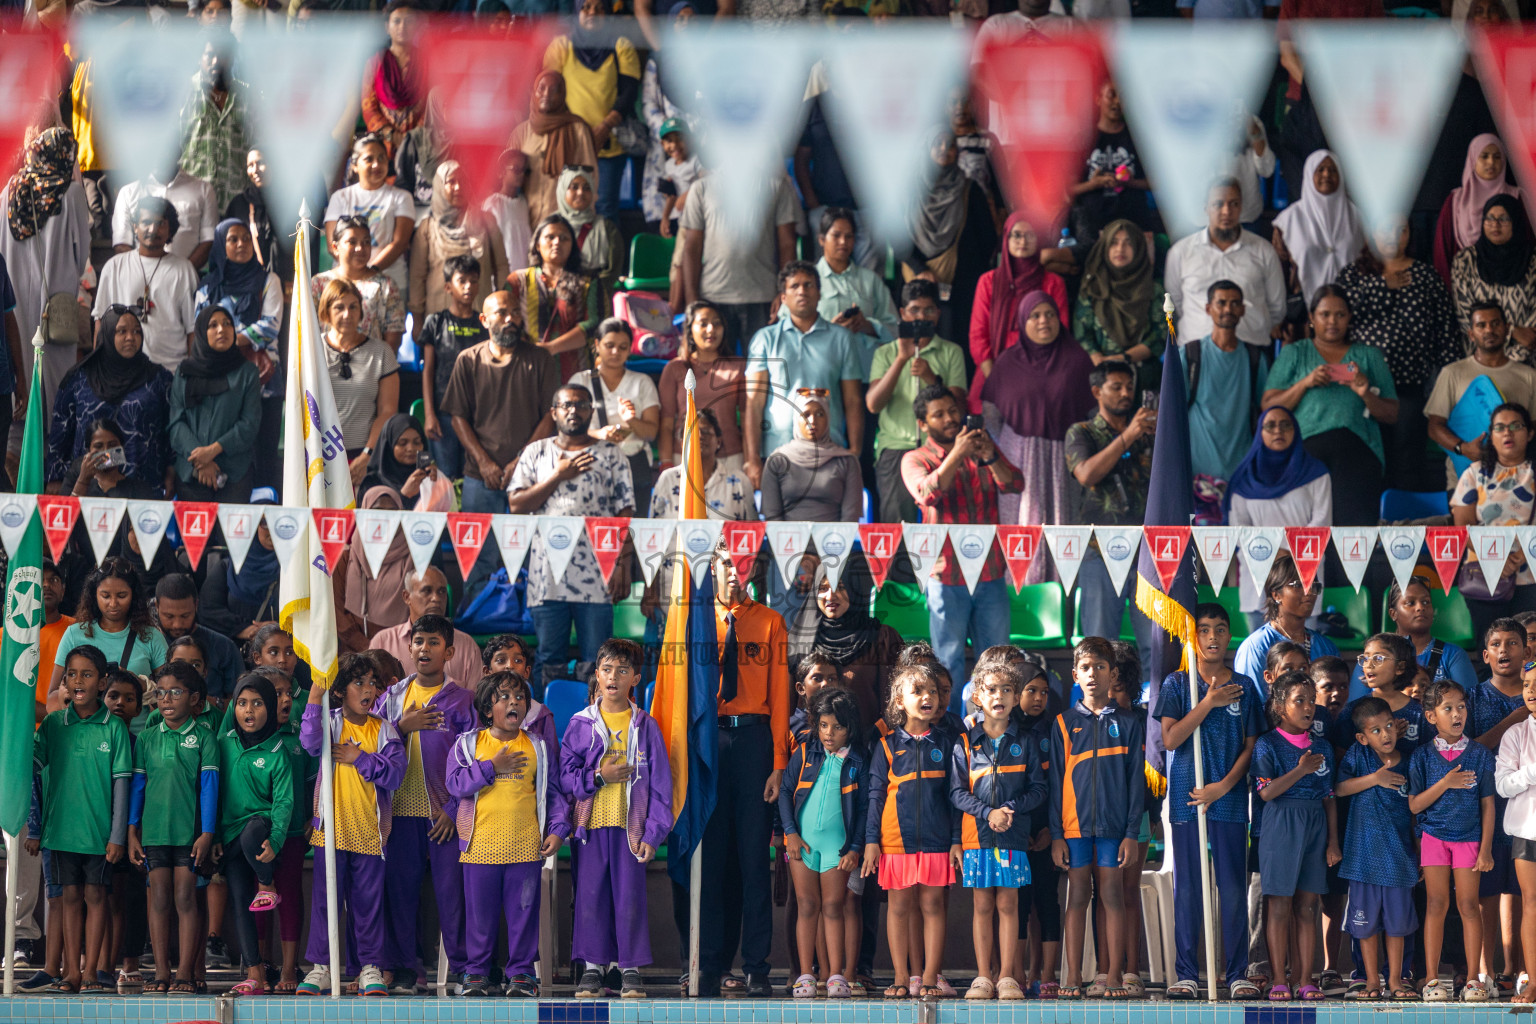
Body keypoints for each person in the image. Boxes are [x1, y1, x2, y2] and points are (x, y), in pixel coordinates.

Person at [1154, 603, 1265, 1000]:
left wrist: (1225, 785)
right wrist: (1207, 703)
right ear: (1193, 637)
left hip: (1231, 800)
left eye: (1220, 628)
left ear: (1230, 634)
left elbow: (1253, 745)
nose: (1213, 637)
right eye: (1203, 630)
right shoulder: (1177, 684)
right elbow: (1170, 739)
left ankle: (1237, 973)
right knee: (1188, 889)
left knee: (1233, 888)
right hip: (1187, 799)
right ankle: (1186, 973)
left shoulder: (1246, 687)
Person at [693, 552, 791, 998]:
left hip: (753, 743)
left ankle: (756, 966)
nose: (735, 572)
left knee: (754, 861)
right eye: (726, 564)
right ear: (711, 569)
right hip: (710, 743)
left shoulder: (770, 621)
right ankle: (708, 963)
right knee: (711, 861)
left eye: (742, 564)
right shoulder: (694, 622)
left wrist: (778, 764)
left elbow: (780, 696)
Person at [374, 614, 480, 995]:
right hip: (399, 813)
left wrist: (454, 810)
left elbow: (475, 760)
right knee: (400, 893)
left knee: (453, 896)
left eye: (434, 642)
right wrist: (402, 726)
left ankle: (467, 968)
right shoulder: (392, 699)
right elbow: (374, 749)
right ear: (408, 647)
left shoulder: (464, 701)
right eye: (418, 641)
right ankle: (404, 967)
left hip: (446, 816)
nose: (424, 648)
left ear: (449, 652)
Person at [562, 639, 673, 998]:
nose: (614, 676)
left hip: (632, 828)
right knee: (591, 897)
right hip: (590, 829)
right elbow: (565, 776)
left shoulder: (646, 726)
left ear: (635, 679)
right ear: (596, 675)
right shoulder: (580, 724)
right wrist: (597, 777)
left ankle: (629, 969)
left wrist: (653, 834)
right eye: (607, 669)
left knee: (629, 899)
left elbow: (660, 787)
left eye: (623, 670)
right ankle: (593, 968)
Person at [507, 385, 635, 694]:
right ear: (554, 412)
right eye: (566, 405)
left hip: (598, 573)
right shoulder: (536, 452)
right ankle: (546, 727)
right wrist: (557, 476)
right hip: (546, 574)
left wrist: (623, 564)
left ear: (591, 411)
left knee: (599, 661)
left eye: (580, 405)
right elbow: (516, 503)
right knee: (548, 658)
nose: (573, 410)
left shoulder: (611, 454)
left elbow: (626, 513)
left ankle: (594, 729)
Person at [448, 671, 569, 998]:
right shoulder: (469, 744)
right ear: (488, 709)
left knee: (523, 915)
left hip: (525, 848)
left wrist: (557, 830)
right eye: (504, 697)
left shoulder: (538, 746)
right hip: (479, 848)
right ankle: (477, 973)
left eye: (518, 698)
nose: (513, 702)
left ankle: (521, 974)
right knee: (480, 916)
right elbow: (455, 784)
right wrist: (492, 767)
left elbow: (554, 793)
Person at [296, 654, 406, 998]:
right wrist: (315, 695)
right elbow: (309, 743)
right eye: (359, 682)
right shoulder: (329, 723)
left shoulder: (384, 729)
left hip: (371, 834)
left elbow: (395, 774)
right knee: (325, 901)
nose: (369, 690)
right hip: (331, 831)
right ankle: (322, 968)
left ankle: (369, 966)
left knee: (368, 902)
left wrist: (360, 758)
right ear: (340, 690)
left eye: (373, 683)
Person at [902, 385, 1020, 698]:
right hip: (946, 575)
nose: (950, 418)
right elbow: (928, 493)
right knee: (947, 661)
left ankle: (992, 731)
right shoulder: (915, 458)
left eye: (953, 411)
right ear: (923, 424)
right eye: (938, 415)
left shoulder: (983, 447)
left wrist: (990, 456)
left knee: (997, 661)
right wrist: (958, 453)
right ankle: (949, 731)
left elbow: (1014, 484)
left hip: (991, 572)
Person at [30, 644, 131, 995]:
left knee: (96, 898)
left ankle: (91, 972)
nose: (76, 681)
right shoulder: (54, 724)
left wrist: (117, 835)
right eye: (71, 674)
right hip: (60, 832)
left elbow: (122, 788)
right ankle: (71, 972)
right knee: (69, 899)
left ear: (102, 682)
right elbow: (31, 768)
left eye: (86, 674)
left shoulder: (114, 727)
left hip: (99, 835)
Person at [1049, 638, 1144, 1000]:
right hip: (1074, 829)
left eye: (1100, 667)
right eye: (1086, 668)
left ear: (1113, 673)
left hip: (1114, 830)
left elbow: (1137, 782)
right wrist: (1057, 834)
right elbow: (1056, 782)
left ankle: (1114, 976)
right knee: (1077, 898)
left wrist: (1131, 832)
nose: (1093, 674)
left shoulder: (1129, 723)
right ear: (1075, 674)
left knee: (1112, 898)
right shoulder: (1063, 723)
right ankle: (1072, 976)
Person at [861, 662, 959, 1000]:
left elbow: (956, 797)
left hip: (936, 841)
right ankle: (902, 976)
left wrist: (956, 841)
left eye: (932, 691)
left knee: (933, 906)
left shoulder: (948, 744)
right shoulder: (886, 745)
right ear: (899, 701)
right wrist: (871, 840)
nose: (928, 697)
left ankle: (930, 976)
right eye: (918, 691)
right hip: (894, 842)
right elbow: (875, 796)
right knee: (898, 908)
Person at [1261, 285, 1398, 526]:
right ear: (1312, 318)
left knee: (1352, 540)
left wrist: (1366, 394)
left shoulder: (1368, 356)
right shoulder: (1295, 352)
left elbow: (1392, 414)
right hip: (1305, 455)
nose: (1332, 321)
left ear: (1350, 318)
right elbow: (1269, 406)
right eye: (1325, 314)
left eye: (1340, 314)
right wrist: (1305, 383)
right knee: (1304, 533)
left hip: (1358, 455)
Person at [951, 660, 1046, 1001]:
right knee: (982, 907)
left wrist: (1010, 809)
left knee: (1008, 905)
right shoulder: (965, 743)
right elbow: (957, 792)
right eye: (992, 689)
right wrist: (988, 812)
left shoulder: (1026, 742)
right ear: (978, 696)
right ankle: (982, 976)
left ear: (1016, 696)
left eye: (1007, 690)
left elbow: (1038, 789)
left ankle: (1007, 975)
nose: (1000, 696)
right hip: (977, 839)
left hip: (1013, 837)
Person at [126, 661, 216, 996]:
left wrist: (207, 833)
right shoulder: (147, 738)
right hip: (154, 834)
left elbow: (209, 787)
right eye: (161, 693)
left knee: (185, 897)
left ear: (194, 698)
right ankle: (161, 973)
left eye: (175, 692)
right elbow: (138, 787)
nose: (166, 699)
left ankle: (185, 975)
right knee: (159, 898)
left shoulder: (205, 738)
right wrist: (132, 831)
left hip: (189, 834)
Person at [1252, 670, 1339, 1002]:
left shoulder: (1323, 748)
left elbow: (1329, 796)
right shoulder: (1267, 743)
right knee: (1278, 905)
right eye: (1298, 701)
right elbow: (1266, 793)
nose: (1307, 709)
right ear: (1279, 705)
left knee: (1307, 906)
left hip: (1315, 822)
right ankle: (1278, 978)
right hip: (1281, 822)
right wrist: (1301, 770)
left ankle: (1305, 979)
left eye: (1311, 702)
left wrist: (1332, 841)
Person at [1409, 678, 1498, 1002]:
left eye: (1461, 706)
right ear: (1431, 716)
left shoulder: (1479, 755)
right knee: (1435, 904)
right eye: (1448, 708)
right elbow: (1415, 805)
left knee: (1468, 906)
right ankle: (1432, 980)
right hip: (1433, 839)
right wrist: (1446, 782)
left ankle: (1473, 979)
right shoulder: (1421, 756)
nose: (1457, 713)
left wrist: (1485, 848)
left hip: (1470, 840)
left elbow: (1488, 804)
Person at [1066, 361, 1156, 670]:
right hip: (1100, 552)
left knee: (1153, 642)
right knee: (1099, 645)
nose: (1125, 393)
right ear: (1096, 391)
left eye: (1129, 387)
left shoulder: (1147, 431)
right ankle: (1097, 713)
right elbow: (1087, 473)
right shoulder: (1082, 432)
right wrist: (1129, 435)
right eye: (1116, 387)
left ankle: (1152, 710)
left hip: (1147, 552)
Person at [744, 261, 867, 489]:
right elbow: (754, 403)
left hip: (829, 453)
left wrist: (854, 452)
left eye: (809, 285)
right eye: (795, 286)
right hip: (777, 452)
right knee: (778, 523)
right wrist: (752, 459)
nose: (802, 291)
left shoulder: (842, 339)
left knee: (827, 522)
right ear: (783, 297)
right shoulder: (765, 339)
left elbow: (853, 400)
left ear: (819, 293)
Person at [780, 687, 867, 999]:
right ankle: (806, 974)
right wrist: (790, 833)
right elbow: (785, 794)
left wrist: (855, 848)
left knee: (833, 907)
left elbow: (865, 810)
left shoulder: (858, 760)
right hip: (803, 846)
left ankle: (836, 975)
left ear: (850, 728)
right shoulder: (805, 753)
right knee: (807, 906)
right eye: (824, 725)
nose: (830, 734)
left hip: (838, 848)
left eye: (838, 727)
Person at [980, 292, 1094, 528]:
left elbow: (1094, 412)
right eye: (1035, 315)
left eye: (1050, 314)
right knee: (1020, 526)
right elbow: (991, 413)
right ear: (1023, 321)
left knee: (1065, 525)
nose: (1044, 321)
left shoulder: (1078, 360)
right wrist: (1007, 448)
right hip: (1017, 457)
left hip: (1065, 456)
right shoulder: (1007, 363)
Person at [0, 126, 91, 425]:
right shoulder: (72, 193)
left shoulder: (8, 191)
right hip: (56, 300)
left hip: (11, 298)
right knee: (54, 371)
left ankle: (19, 430)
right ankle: (52, 435)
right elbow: (82, 255)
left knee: (19, 359)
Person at [443, 290, 558, 520]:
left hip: (531, 473)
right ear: (484, 320)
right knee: (480, 553)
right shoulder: (468, 359)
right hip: (480, 474)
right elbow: (458, 417)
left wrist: (521, 462)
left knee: (528, 552)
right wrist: (484, 463)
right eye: (502, 313)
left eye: (515, 312)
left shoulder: (541, 359)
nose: (510, 319)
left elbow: (550, 415)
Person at [1333, 695, 1420, 1000]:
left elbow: (1415, 814)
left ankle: (1395, 980)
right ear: (1362, 737)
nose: (1385, 735)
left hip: (1398, 860)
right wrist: (1376, 779)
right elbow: (1340, 788)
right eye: (1376, 731)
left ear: (1397, 726)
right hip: (1362, 860)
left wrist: (1419, 854)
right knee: (1366, 926)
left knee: (1397, 927)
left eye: (1389, 727)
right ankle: (1371, 981)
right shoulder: (1359, 756)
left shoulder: (1410, 761)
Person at [216, 673, 294, 997]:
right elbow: (214, 793)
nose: (249, 711)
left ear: (271, 707)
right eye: (242, 703)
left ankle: (267, 883)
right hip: (229, 837)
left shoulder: (277, 751)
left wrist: (275, 842)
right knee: (238, 902)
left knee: (253, 831)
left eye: (258, 703)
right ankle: (255, 974)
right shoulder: (223, 744)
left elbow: (283, 802)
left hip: (259, 832)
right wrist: (214, 836)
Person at [868, 280, 967, 525]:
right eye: (914, 310)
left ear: (938, 314)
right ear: (902, 314)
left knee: (943, 523)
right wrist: (902, 358)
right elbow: (873, 404)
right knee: (897, 526)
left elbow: (959, 407)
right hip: (895, 448)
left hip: (941, 450)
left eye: (928, 310)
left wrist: (931, 378)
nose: (921, 316)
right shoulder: (885, 353)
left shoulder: (951, 352)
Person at [47, 306, 173, 494]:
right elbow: (61, 430)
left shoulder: (159, 378)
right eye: (122, 331)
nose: (130, 337)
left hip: (143, 486)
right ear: (106, 334)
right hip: (87, 486)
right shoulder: (80, 378)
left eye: (136, 331)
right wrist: (55, 477)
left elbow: (170, 430)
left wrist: (171, 473)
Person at [1224, 408, 1332, 619]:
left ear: (1295, 430)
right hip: (1258, 570)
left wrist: (1289, 555)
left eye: (1285, 425)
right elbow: (1239, 527)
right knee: (1260, 647)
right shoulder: (1244, 478)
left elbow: (1321, 521)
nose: (1278, 431)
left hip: (1303, 567)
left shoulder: (1316, 473)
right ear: (1260, 432)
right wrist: (1273, 554)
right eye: (1270, 425)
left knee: (1304, 647)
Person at [681, 172, 801, 347]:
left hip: (763, 298)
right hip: (713, 297)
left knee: (762, 369)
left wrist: (783, 291)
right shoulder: (701, 188)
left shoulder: (777, 186)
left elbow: (787, 244)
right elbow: (691, 248)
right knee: (715, 371)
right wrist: (692, 300)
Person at [544, 0, 640, 219]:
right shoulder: (561, 45)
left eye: (599, 8)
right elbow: (550, 92)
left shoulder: (621, 45)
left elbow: (629, 93)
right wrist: (579, 131)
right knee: (569, 210)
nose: (592, 13)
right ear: (577, 11)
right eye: (586, 7)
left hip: (610, 146)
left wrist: (604, 127)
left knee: (606, 208)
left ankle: (606, 254)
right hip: (571, 144)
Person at [1165, 178, 1287, 349]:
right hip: (1195, 351)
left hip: (1251, 349)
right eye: (1218, 204)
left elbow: (1277, 307)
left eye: (1234, 203)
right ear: (1205, 208)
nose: (1226, 211)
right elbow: (1176, 302)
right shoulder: (1181, 252)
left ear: (1241, 207)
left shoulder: (1264, 251)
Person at [1428, 302, 1536, 486]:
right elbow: (1434, 427)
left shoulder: (1528, 375)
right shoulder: (1452, 373)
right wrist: (1462, 448)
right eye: (1481, 325)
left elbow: (1532, 427)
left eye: (1495, 323)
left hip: (1516, 482)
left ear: (1507, 329)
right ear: (1471, 334)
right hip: (1464, 480)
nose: (1489, 330)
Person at [787, 560, 902, 730]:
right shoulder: (798, 638)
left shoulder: (882, 638)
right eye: (823, 588)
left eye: (840, 587)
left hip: (867, 748)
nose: (830, 596)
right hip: (811, 749)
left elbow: (895, 703)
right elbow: (786, 705)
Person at [1453, 403, 1536, 637]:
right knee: (1489, 651)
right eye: (1500, 427)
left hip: (1531, 575)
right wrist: (1496, 559)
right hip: (1484, 572)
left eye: (1515, 426)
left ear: (1529, 433)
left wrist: (1518, 558)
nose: (1507, 432)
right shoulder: (1474, 473)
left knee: (1529, 651)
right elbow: (1463, 527)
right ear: (1492, 436)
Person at [905, 133, 1000, 339]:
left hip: (963, 288)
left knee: (960, 343)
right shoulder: (910, 193)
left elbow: (987, 237)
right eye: (937, 143)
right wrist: (919, 268)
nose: (943, 149)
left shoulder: (969, 189)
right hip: (917, 282)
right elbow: (897, 237)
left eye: (949, 145)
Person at [968, 213, 1067, 403]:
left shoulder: (1052, 283)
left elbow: (1059, 334)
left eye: (1030, 235)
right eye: (1017, 235)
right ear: (1006, 238)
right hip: (993, 374)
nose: (1023, 241)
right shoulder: (989, 282)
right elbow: (978, 336)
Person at [94, 198, 199, 372]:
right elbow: (100, 323)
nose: (153, 229)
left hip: (171, 371)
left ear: (170, 229)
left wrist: (192, 375)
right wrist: (98, 369)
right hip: (122, 372)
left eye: (161, 223)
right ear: (135, 227)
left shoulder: (184, 270)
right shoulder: (114, 267)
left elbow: (193, 330)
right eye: (146, 222)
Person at [168, 305, 260, 502]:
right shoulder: (184, 372)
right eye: (213, 325)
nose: (222, 329)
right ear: (202, 332)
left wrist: (211, 451)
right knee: (195, 534)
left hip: (235, 474)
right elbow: (176, 424)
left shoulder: (247, 373)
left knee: (231, 534)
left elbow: (249, 424)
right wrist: (201, 461)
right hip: (191, 474)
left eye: (227, 324)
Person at [316, 278, 400, 486]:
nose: (347, 314)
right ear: (326, 312)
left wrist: (366, 455)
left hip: (363, 458)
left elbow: (387, 411)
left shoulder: (381, 352)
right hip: (319, 459)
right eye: (339, 307)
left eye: (353, 307)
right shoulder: (312, 348)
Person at [568, 319, 661, 504]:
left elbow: (651, 433)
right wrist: (598, 434)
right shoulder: (580, 381)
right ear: (597, 345)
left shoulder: (642, 382)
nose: (615, 352)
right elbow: (567, 432)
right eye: (609, 345)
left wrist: (632, 420)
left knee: (633, 530)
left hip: (633, 467)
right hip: (590, 466)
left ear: (630, 348)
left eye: (622, 347)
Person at [49, 559, 170, 698]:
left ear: (134, 595)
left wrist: (141, 685)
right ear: (94, 595)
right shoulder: (74, 634)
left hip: (137, 720)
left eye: (121, 596)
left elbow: (170, 692)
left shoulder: (151, 636)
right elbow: (52, 697)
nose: (113, 604)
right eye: (105, 596)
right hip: (88, 720)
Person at [1073, 219, 1164, 399]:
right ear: (1104, 247)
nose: (1120, 249)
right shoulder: (1092, 288)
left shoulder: (1154, 290)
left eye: (1128, 243)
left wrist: (1125, 358)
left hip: (1145, 379)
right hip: (1102, 378)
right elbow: (1082, 333)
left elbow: (1162, 335)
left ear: (1138, 248)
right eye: (1114, 242)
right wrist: (1099, 360)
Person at [408, 163, 508, 327]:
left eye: (464, 181)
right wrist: (418, 321)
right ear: (440, 187)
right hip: (439, 320)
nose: (458, 187)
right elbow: (417, 277)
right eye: (451, 182)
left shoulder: (486, 222)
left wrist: (502, 305)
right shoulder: (428, 228)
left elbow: (501, 266)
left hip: (480, 316)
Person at [507, 214, 603, 382]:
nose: (557, 242)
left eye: (564, 238)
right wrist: (529, 350)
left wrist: (551, 348)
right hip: (527, 369)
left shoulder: (588, 282)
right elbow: (505, 319)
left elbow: (593, 324)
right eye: (550, 237)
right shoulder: (517, 281)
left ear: (572, 246)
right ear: (537, 244)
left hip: (575, 373)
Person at [658, 299, 747, 474]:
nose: (711, 329)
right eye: (703, 324)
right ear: (690, 329)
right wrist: (667, 462)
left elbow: (747, 421)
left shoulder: (738, 366)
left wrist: (751, 459)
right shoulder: (674, 368)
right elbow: (667, 424)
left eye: (717, 323)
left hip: (730, 458)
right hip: (684, 457)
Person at [1232, 554, 1339, 697]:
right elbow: (1252, 707)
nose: (1309, 593)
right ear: (1276, 595)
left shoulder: (1327, 647)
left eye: (1314, 586)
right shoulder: (1255, 648)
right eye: (1299, 585)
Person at [323, 135, 415, 298]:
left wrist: (371, 272)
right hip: (346, 283)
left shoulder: (401, 197)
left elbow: (399, 243)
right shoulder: (341, 197)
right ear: (355, 165)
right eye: (369, 159)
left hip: (390, 282)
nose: (376, 164)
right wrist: (355, 274)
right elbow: (332, 244)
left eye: (382, 158)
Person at [1492, 669, 1536, 1006]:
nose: (1531, 691)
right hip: (1526, 831)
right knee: (1531, 904)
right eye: (1526, 686)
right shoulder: (1516, 734)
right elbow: (1503, 785)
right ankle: (1533, 981)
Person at [1271, 151, 1365, 305]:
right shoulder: (1289, 220)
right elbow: (1277, 273)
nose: (1327, 174)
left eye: (1333, 170)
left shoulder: (1357, 217)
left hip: (1350, 311)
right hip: (1303, 314)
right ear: (1309, 175)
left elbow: (1368, 264)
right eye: (1320, 169)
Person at [195, 218, 282, 385]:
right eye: (233, 239)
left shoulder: (268, 280)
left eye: (246, 238)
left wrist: (231, 340)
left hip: (263, 377)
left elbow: (271, 325)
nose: (241, 244)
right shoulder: (208, 287)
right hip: (219, 377)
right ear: (221, 244)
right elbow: (200, 329)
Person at [511, 70, 599, 226]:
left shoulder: (577, 130)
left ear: (562, 96)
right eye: (541, 88)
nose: (546, 94)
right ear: (534, 93)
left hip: (566, 223)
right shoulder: (521, 133)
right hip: (526, 222)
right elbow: (507, 178)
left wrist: (584, 220)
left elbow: (590, 178)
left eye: (554, 90)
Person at [761, 391, 863, 524]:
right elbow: (772, 515)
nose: (812, 421)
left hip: (834, 542)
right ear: (796, 419)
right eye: (805, 415)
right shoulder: (777, 461)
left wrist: (835, 543)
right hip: (785, 542)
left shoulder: (846, 461)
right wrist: (787, 542)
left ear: (828, 419)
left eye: (820, 414)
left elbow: (850, 516)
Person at [1452, 196, 1536, 356]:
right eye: (1489, 218)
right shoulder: (1465, 260)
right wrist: (1511, 331)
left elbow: (1531, 333)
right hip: (1479, 359)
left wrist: (1514, 358)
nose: (1495, 225)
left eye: (1504, 219)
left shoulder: (1532, 261)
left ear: (1516, 222)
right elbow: (1465, 317)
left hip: (1527, 360)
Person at [198, 488, 283, 644]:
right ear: (251, 526)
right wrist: (244, 629)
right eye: (264, 522)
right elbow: (207, 610)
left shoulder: (292, 569)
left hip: (279, 651)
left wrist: (279, 627)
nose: (272, 527)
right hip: (236, 651)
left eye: (278, 521)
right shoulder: (228, 567)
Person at [1435, 135, 1521, 284]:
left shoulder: (1517, 197)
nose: (1491, 162)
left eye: (1497, 157)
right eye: (1484, 156)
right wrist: (1450, 292)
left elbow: (1527, 243)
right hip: (1465, 286)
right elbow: (1442, 251)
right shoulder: (1456, 201)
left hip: (1512, 283)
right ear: (1473, 159)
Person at [311, 218, 406, 348]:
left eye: (366, 242)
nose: (360, 248)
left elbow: (393, 336)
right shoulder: (319, 284)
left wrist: (382, 365)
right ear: (335, 247)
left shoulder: (385, 285)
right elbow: (307, 330)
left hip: (370, 364)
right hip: (327, 363)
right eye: (352, 242)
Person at [810, 208, 898, 343]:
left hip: (864, 361)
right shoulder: (806, 280)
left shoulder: (870, 280)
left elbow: (895, 329)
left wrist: (868, 326)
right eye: (836, 235)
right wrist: (828, 330)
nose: (843, 242)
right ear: (822, 240)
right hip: (822, 360)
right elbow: (790, 332)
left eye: (849, 236)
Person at [156, 573, 244, 705]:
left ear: (196, 605)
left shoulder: (224, 647)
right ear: (156, 607)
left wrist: (211, 703)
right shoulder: (146, 644)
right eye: (169, 616)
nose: (177, 624)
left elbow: (240, 702)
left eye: (185, 616)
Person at [110, 164, 217, 268]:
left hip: (186, 282)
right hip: (140, 279)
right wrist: (144, 275)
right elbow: (121, 244)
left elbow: (209, 241)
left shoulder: (204, 190)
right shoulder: (128, 192)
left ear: (179, 149)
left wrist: (183, 274)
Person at [361, 0, 425, 157]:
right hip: (382, 146)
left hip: (419, 144)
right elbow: (368, 108)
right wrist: (392, 135)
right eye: (396, 21)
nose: (402, 27)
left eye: (409, 21)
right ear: (387, 27)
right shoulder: (374, 63)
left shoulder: (427, 63)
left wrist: (411, 137)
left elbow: (431, 106)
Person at [361, 415, 447, 508]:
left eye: (417, 442)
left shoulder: (428, 477)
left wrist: (437, 485)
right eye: (402, 443)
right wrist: (404, 495)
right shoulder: (372, 482)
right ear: (389, 446)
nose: (411, 448)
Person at [555, 165, 622, 287]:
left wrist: (589, 290)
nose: (580, 193)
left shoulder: (607, 228)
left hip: (595, 295)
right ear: (562, 190)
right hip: (556, 294)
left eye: (586, 188)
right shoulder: (551, 226)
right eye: (574, 187)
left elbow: (613, 270)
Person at [223, 149, 280, 279]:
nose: (255, 170)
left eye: (260, 163)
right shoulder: (239, 205)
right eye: (250, 165)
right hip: (248, 281)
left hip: (288, 281)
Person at [481, 149, 532, 279]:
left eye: (524, 170)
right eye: (516, 169)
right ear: (501, 172)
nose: (521, 174)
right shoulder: (493, 204)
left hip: (524, 273)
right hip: (503, 272)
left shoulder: (524, 203)